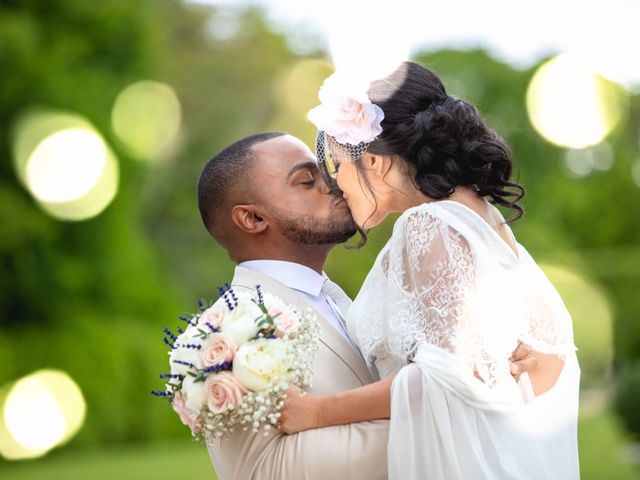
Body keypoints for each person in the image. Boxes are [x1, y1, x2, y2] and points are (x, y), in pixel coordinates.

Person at [278, 62, 580, 479]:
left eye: (337, 166)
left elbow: (442, 379)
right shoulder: (483, 218)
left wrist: (315, 412)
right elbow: (547, 359)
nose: (336, 186)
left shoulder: (429, 224)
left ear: (374, 161)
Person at [197, 131, 535, 479]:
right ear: (253, 219)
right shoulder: (227, 331)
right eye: (306, 181)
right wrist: (462, 413)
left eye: (326, 172)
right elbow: (267, 470)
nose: (333, 184)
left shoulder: (345, 302)